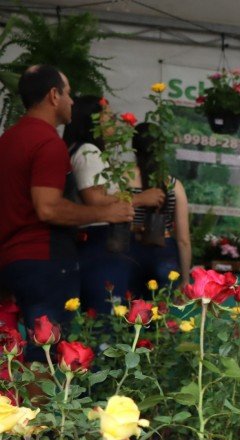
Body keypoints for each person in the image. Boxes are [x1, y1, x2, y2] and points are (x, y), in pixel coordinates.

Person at [0, 65, 133, 357]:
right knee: (47, 357)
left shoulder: (8, 139)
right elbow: (48, 208)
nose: (72, 101)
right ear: (53, 96)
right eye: (69, 94)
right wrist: (104, 213)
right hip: (43, 260)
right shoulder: (48, 142)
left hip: (11, 260)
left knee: (21, 356)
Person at [63, 96, 166, 313]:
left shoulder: (81, 149)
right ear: (94, 120)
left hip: (95, 242)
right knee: (105, 312)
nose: (114, 121)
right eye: (108, 115)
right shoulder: (89, 152)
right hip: (98, 242)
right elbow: (95, 199)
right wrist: (139, 199)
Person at [129, 122, 192, 295]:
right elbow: (184, 239)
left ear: (134, 147)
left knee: (126, 313)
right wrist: (185, 279)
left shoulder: (122, 179)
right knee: (160, 314)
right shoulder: (173, 185)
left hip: (129, 251)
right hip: (165, 253)